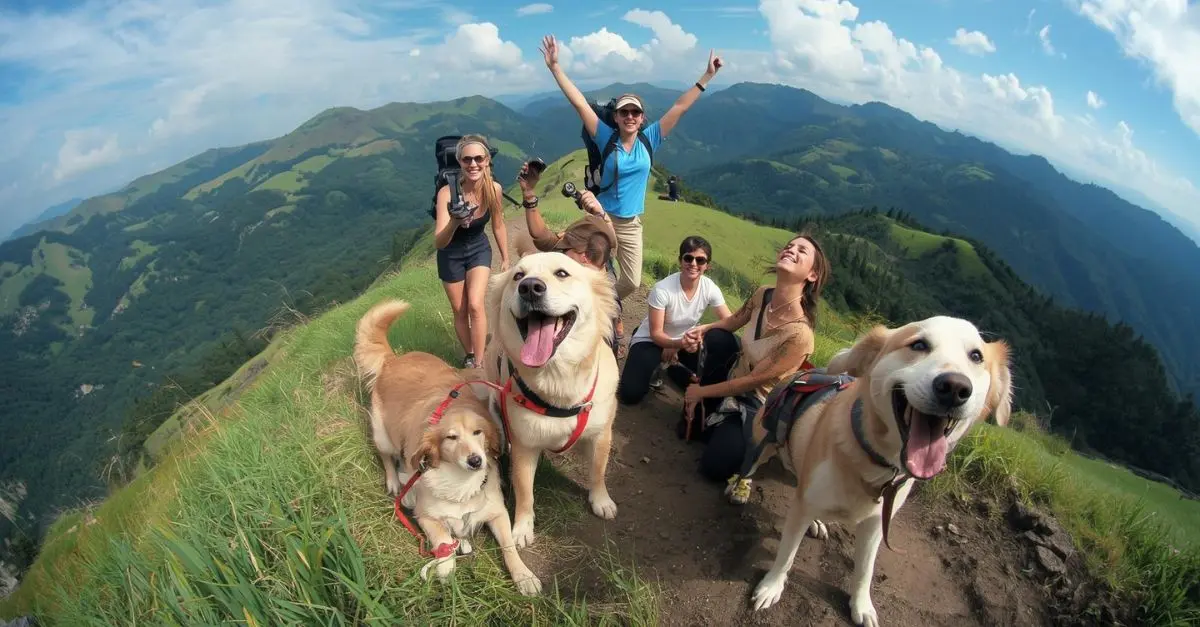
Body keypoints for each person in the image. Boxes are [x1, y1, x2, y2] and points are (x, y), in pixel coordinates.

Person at [539, 34, 723, 303]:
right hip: (601, 217)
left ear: (642, 118)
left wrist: (707, 76)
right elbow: (579, 103)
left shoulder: (650, 138)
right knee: (583, 267)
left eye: (634, 113)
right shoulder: (605, 137)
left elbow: (680, 107)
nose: (629, 117)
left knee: (632, 281)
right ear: (616, 117)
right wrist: (555, 67)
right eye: (624, 112)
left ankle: (601, 304)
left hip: (630, 224)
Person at [680, 233, 830, 500]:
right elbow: (732, 323)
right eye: (789, 246)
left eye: (802, 251)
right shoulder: (764, 295)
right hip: (733, 375)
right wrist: (703, 328)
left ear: (812, 275)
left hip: (757, 403)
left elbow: (754, 382)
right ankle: (718, 419)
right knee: (717, 338)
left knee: (712, 467)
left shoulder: (800, 335)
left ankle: (755, 454)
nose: (791, 250)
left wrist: (700, 393)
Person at [515, 160, 627, 355]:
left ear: (582, 255)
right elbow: (542, 239)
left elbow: (543, 240)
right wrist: (529, 194)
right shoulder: (604, 248)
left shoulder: (601, 303)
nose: (561, 252)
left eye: (566, 246)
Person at [617, 236, 735, 406]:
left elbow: (729, 321)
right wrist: (676, 343)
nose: (693, 264)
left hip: (684, 342)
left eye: (700, 260)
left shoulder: (709, 288)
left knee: (704, 381)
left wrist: (698, 332)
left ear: (707, 265)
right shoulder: (662, 289)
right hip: (652, 340)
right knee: (630, 394)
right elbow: (656, 333)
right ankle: (644, 349)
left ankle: (670, 369)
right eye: (688, 258)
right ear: (680, 261)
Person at [433, 134, 510, 369]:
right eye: (467, 160)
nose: (473, 164)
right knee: (460, 309)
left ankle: (478, 362)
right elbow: (439, 241)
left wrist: (506, 258)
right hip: (450, 253)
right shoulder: (447, 193)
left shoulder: (493, 189)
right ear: (459, 162)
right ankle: (469, 353)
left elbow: (498, 223)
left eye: (479, 158)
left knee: (476, 305)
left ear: (487, 160)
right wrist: (455, 222)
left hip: (478, 247)